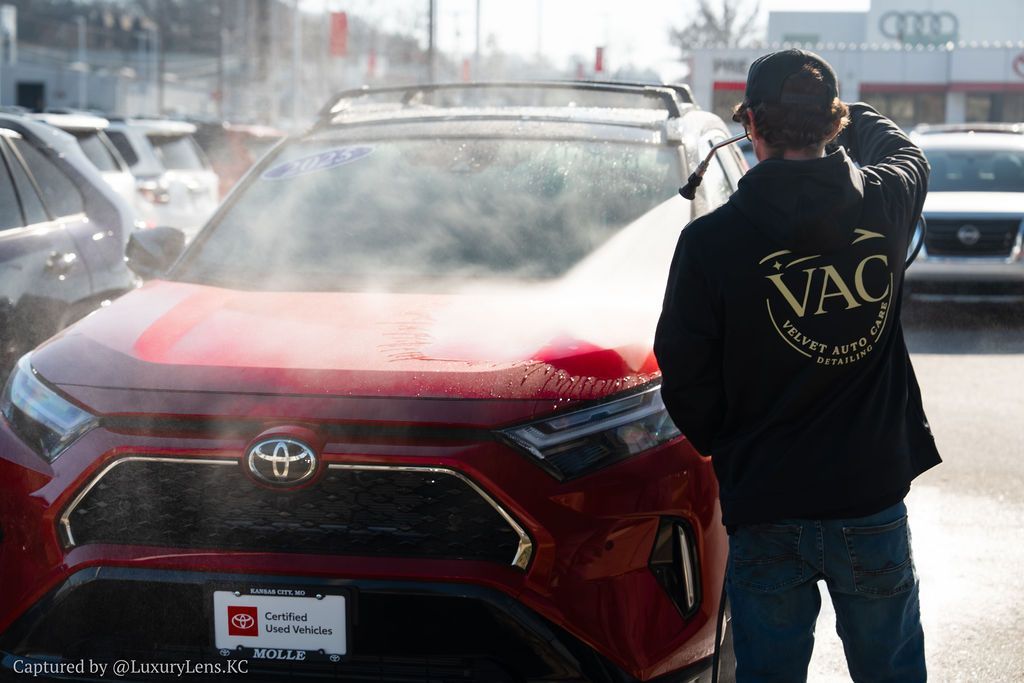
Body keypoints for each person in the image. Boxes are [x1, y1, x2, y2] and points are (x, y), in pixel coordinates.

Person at [653, 49, 941, 682]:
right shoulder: (886, 204)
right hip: (869, 497)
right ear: (834, 125)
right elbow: (910, 154)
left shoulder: (709, 242)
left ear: (751, 125)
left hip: (766, 501)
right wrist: (852, 112)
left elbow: (683, 369)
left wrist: (732, 446)